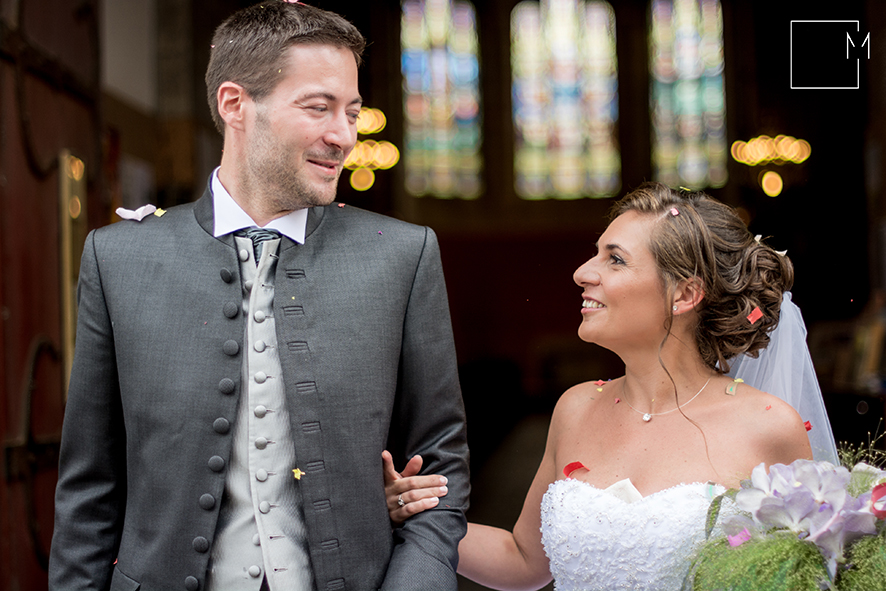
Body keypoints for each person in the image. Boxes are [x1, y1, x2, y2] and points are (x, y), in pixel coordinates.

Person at [48, 3, 469, 591]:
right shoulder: (118, 260)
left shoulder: (401, 255)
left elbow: (442, 470)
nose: (344, 136)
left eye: (352, 112)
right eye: (318, 108)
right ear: (235, 104)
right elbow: (89, 490)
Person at [384, 183, 821, 591]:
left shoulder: (769, 427)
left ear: (685, 295)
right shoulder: (576, 408)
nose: (581, 272)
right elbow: (524, 561)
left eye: (615, 259)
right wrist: (417, 517)